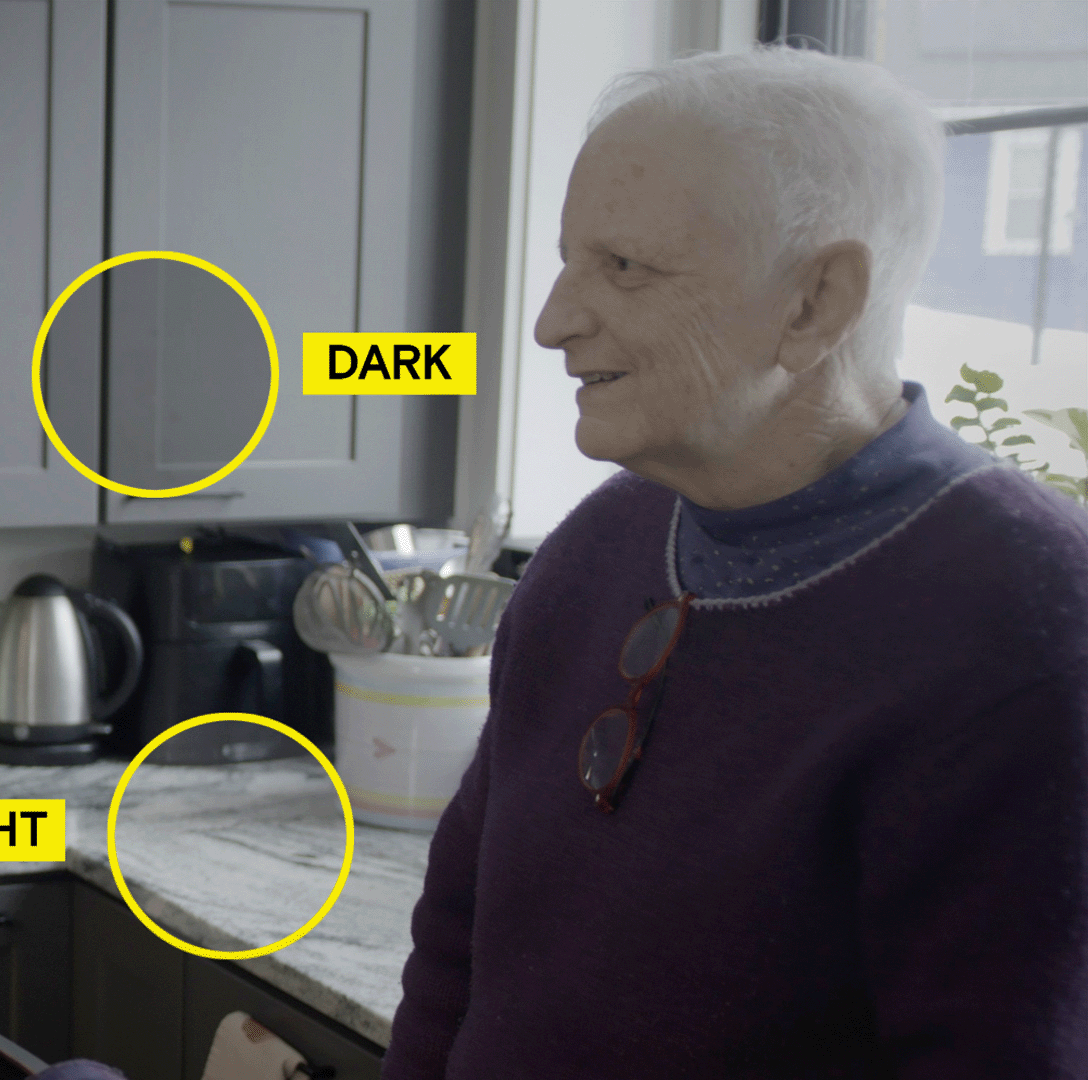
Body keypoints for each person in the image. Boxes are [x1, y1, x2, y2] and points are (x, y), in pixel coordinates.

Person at [383, 46, 1088, 1077]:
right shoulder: (599, 546)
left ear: (816, 302)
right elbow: (457, 941)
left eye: (624, 267)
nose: (552, 322)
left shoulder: (1025, 622)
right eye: (569, 260)